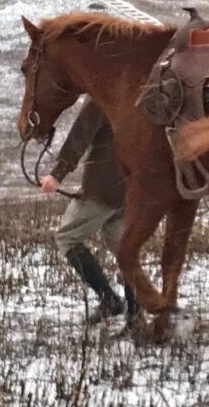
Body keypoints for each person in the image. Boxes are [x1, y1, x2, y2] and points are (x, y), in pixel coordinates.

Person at [38, 97, 136, 324]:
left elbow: (79, 137)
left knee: (67, 237)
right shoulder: (135, 94)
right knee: (126, 251)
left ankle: (109, 300)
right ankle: (135, 316)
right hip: (130, 189)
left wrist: (57, 175)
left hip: (103, 190)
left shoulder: (102, 96)